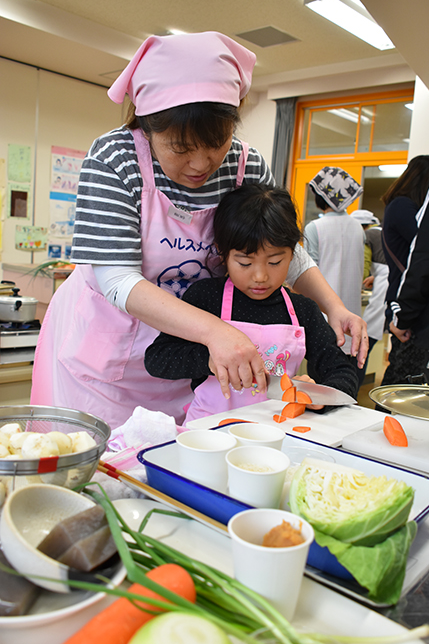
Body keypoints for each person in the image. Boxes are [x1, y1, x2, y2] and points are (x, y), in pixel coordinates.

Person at [30, 32, 367, 430]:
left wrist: (335, 307)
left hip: (198, 360)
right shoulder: (114, 158)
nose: (200, 164)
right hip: (106, 358)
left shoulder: (245, 164)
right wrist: (216, 332)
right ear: (148, 126)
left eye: (216, 143)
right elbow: (116, 278)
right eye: (180, 148)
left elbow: (282, 248)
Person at [145, 184, 359, 423]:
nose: (260, 276)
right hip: (207, 433)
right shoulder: (206, 298)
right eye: (245, 263)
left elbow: (343, 373)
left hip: (276, 434)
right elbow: (157, 359)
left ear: (293, 254)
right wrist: (209, 358)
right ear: (222, 253)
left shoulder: (303, 311)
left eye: (275, 262)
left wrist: (320, 396)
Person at [380, 155, 429, 386]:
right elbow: (421, 251)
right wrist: (402, 318)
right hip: (405, 303)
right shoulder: (403, 206)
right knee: (400, 383)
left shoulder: (400, 206)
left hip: (409, 302)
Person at [304, 167, 365, 359]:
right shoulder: (358, 227)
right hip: (352, 310)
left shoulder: (315, 227)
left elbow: (307, 271)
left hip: (324, 312)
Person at [351, 210, 389, 386]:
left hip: (385, 287)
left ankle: (354, 385)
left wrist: (354, 286)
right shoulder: (382, 232)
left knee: (364, 342)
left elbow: (364, 265)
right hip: (390, 281)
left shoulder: (366, 235)